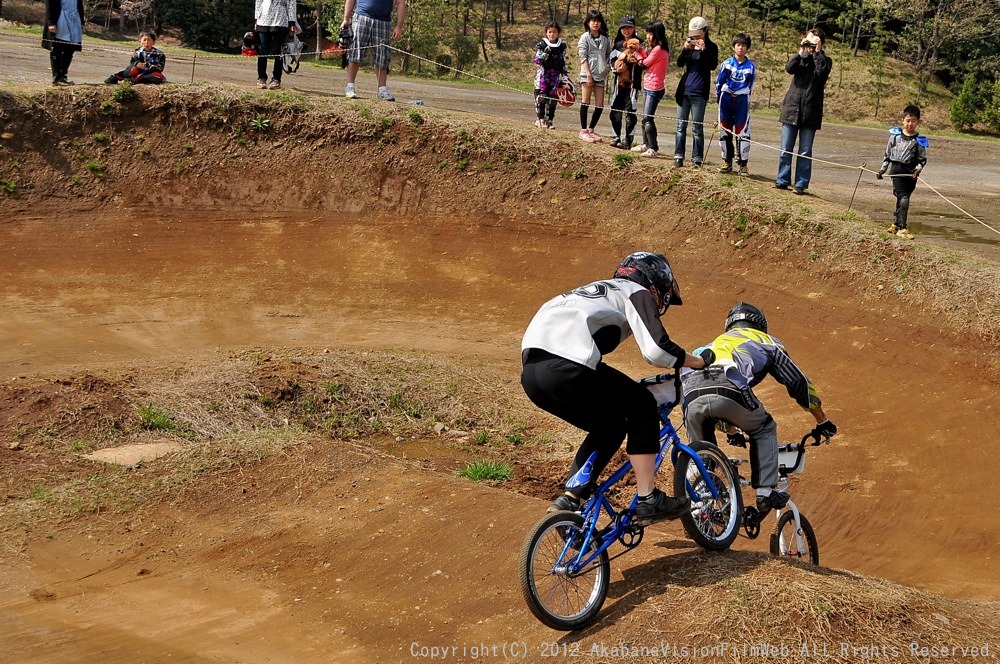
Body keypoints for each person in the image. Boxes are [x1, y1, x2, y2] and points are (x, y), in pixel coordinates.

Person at [520, 252, 714, 525]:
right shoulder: (635, 291)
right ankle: (649, 499)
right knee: (643, 405)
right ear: (655, 283)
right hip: (569, 365)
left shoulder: (590, 292)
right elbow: (657, 350)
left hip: (533, 375)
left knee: (610, 426)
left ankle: (569, 502)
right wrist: (696, 360)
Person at [681, 302, 837, 511]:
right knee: (764, 428)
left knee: (701, 451)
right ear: (760, 325)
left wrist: (731, 429)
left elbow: (709, 398)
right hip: (729, 386)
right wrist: (822, 420)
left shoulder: (711, 344)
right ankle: (765, 492)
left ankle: (700, 506)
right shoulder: (766, 341)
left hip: (690, 393)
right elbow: (797, 382)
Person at [775, 28, 832, 195]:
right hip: (792, 108)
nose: (810, 45)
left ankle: (800, 184)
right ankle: (782, 179)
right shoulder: (801, 58)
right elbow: (789, 68)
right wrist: (801, 51)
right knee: (786, 147)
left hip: (810, 111)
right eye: (808, 41)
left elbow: (822, 74)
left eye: (813, 42)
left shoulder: (825, 60)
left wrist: (817, 53)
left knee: (805, 151)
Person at [673, 16, 719, 169]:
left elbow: (712, 65)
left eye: (698, 33)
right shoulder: (689, 45)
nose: (695, 37)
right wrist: (686, 49)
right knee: (681, 125)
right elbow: (679, 63)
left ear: (705, 31)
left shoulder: (712, 47)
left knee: (697, 127)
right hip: (684, 91)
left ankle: (697, 159)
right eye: (693, 34)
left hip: (699, 92)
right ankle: (678, 156)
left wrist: (704, 50)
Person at [877, 105, 928, 240]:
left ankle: (895, 223)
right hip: (897, 171)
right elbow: (887, 155)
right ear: (903, 120)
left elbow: (922, 159)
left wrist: (917, 170)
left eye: (914, 121)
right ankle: (902, 228)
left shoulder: (919, 141)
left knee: (903, 198)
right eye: (908, 120)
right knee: (904, 199)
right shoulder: (895, 137)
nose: (910, 124)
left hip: (910, 174)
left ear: (918, 122)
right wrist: (883, 169)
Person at [342, 0, 406, 101]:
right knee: (355, 52)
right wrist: (345, 19)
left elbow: (401, 3)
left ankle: (382, 89)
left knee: (382, 57)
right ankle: (350, 86)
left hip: (383, 21)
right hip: (361, 17)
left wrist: (399, 26)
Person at [716, 33, 755, 175]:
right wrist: (718, 98)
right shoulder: (726, 64)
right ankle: (727, 161)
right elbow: (719, 82)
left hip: (741, 99)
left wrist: (746, 100)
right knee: (724, 129)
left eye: (744, 45)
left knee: (743, 130)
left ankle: (743, 164)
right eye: (738, 45)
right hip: (726, 98)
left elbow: (750, 86)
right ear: (734, 47)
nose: (741, 48)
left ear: (747, 48)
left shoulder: (751, 66)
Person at [630, 21, 669, 158]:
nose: (648, 36)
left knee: (648, 118)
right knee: (645, 118)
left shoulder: (658, 49)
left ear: (657, 35)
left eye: (651, 34)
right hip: (648, 85)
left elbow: (644, 64)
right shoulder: (656, 48)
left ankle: (653, 147)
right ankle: (646, 144)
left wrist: (637, 54)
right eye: (647, 33)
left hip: (654, 88)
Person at [608, 15, 643, 149]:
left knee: (631, 110)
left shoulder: (641, 44)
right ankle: (615, 135)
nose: (626, 30)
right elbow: (611, 61)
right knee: (615, 108)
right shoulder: (617, 44)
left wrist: (628, 60)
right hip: (619, 82)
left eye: (629, 27)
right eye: (624, 27)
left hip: (633, 83)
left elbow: (642, 61)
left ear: (633, 28)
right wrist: (616, 68)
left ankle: (628, 139)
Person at [577, 10, 612, 142]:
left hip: (600, 75)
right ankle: (583, 130)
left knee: (599, 104)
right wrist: (588, 75)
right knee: (585, 101)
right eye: (593, 20)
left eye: (598, 21)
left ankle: (591, 129)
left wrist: (606, 66)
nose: (595, 23)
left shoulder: (605, 39)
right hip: (587, 74)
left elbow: (609, 55)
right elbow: (582, 57)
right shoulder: (584, 37)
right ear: (588, 22)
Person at [533, 22, 569, 129]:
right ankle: (540, 119)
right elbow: (537, 60)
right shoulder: (542, 46)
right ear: (546, 33)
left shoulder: (561, 47)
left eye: (554, 32)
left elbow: (563, 62)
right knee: (542, 98)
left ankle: (550, 120)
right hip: (544, 76)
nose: (552, 34)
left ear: (558, 33)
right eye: (550, 32)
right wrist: (544, 54)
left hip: (555, 76)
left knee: (553, 100)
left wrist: (564, 76)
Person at [254, 0, 297, 89]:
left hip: (280, 20)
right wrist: (256, 18)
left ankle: (276, 79)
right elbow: (258, 1)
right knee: (263, 50)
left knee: (279, 51)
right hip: (263, 19)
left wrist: (292, 22)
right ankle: (261, 78)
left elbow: (291, 3)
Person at [41, 0, 83, 85]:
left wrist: (82, 22)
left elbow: (80, 5)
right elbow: (49, 4)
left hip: (74, 19)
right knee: (58, 47)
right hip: (60, 18)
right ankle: (56, 77)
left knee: (71, 48)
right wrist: (51, 22)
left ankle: (63, 75)